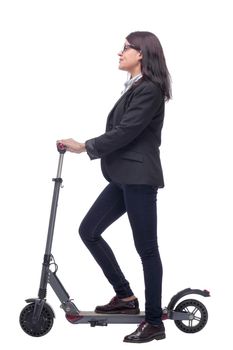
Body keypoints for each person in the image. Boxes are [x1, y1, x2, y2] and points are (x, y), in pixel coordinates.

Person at [57, 31, 171, 343]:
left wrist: (84, 146)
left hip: (139, 180)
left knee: (147, 249)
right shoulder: (135, 87)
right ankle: (125, 297)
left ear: (142, 54)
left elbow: (126, 131)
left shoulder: (149, 89)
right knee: (89, 231)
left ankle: (153, 322)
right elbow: (124, 131)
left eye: (126, 48)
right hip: (123, 178)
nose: (119, 53)